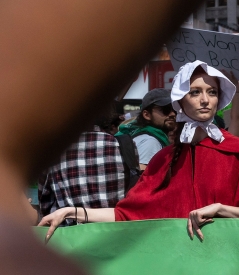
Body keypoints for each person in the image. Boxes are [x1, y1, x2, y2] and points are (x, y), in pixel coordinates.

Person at [0, 1, 203, 274]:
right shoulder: (124, 145)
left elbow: (45, 208)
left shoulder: (53, 155)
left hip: (66, 245)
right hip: (118, 250)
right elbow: (132, 202)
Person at [39, 60, 239, 275]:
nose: (205, 100)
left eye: (212, 92)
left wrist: (220, 209)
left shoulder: (238, 153)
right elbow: (126, 214)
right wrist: (73, 212)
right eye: (195, 92)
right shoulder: (163, 160)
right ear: (180, 99)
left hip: (225, 266)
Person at [38, 122, 129, 226]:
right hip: (120, 232)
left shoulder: (51, 152)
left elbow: (45, 204)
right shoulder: (124, 145)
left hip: (71, 236)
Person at [116, 88, 176, 170]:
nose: (172, 114)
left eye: (175, 109)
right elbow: (142, 178)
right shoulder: (150, 142)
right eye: (165, 110)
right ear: (147, 115)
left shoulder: (145, 135)